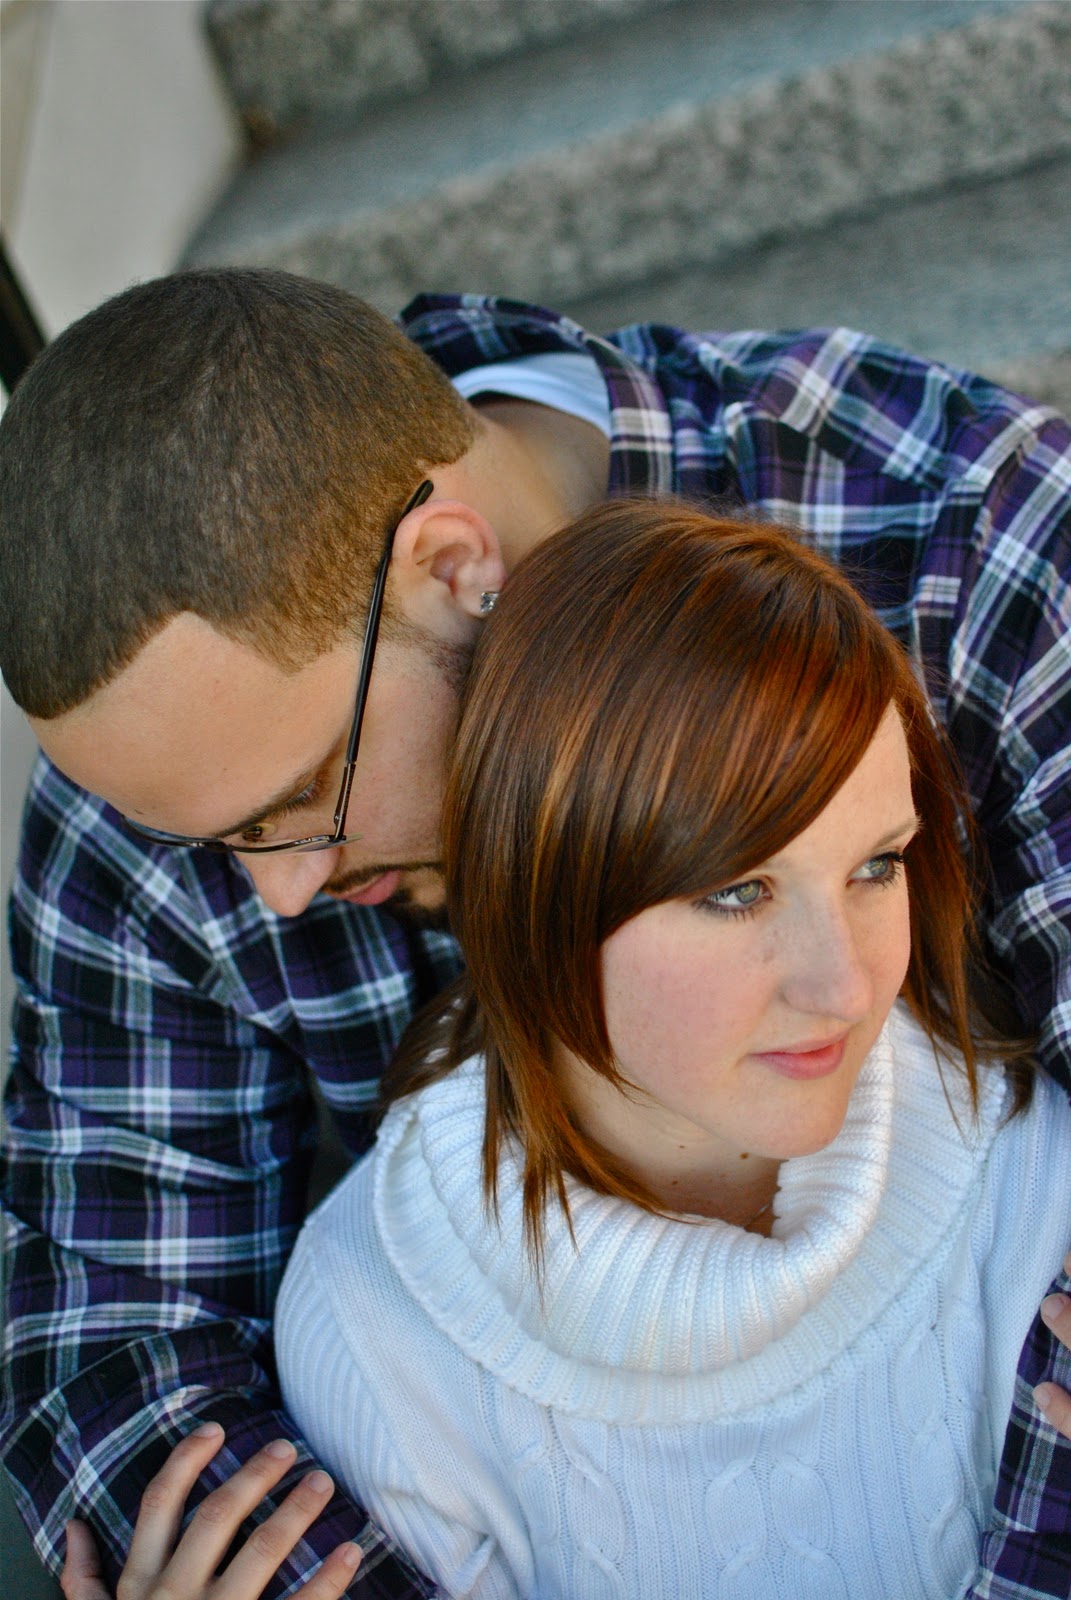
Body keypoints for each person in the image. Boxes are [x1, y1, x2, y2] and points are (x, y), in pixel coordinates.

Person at [0, 268, 1068, 1598]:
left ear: (455, 569)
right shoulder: (180, 760)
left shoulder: (959, 528)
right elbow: (111, 1344)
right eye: (220, 841)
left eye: (306, 798)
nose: (278, 892)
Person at [271, 501, 1070, 1596]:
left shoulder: (1029, 1172)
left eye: (875, 866)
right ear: (535, 886)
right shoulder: (374, 1326)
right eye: (738, 891)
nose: (845, 985)